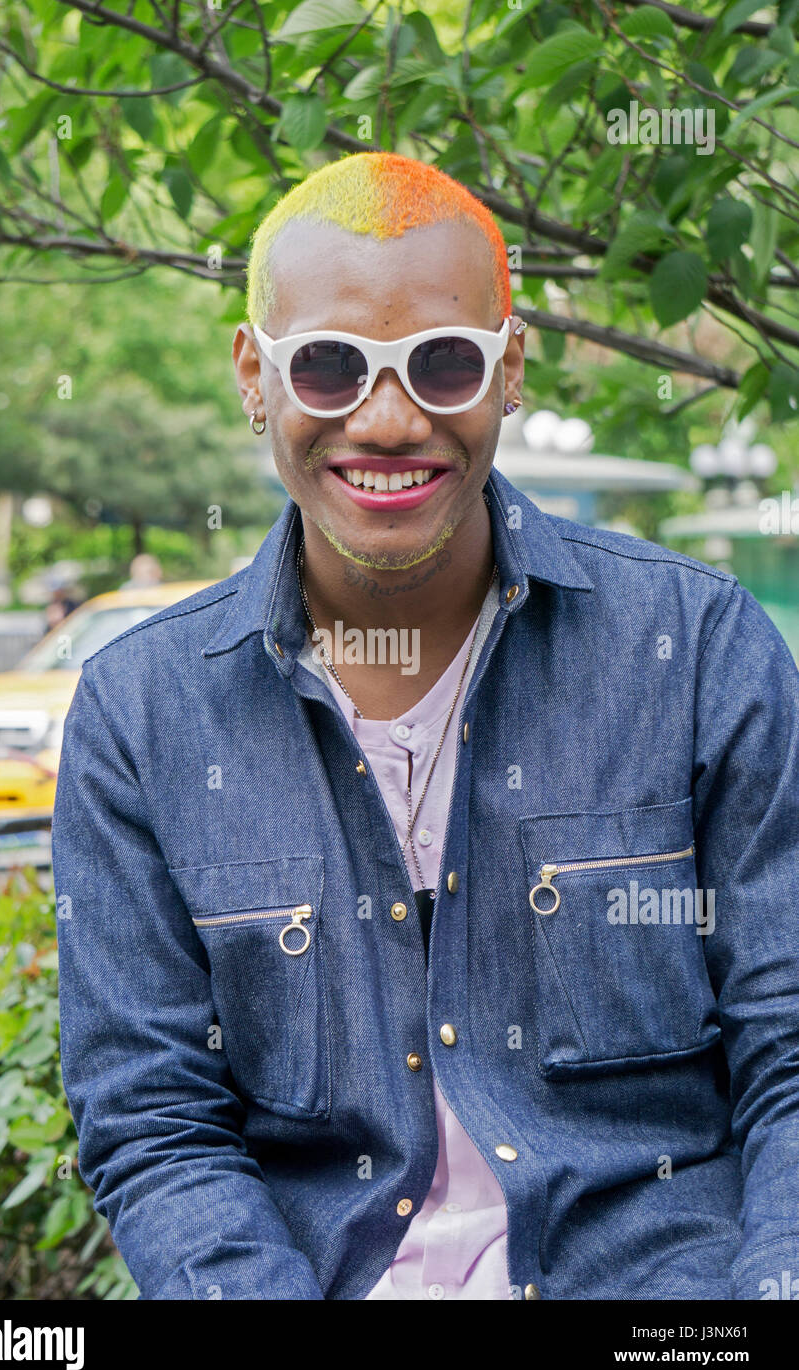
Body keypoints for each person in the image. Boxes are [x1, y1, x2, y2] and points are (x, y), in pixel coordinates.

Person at [53, 152, 799, 1301]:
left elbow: (787, 1049)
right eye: (331, 366)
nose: (388, 418)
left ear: (509, 372)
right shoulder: (139, 714)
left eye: (441, 365)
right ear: (255, 376)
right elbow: (155, 1125)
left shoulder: (697, 651)